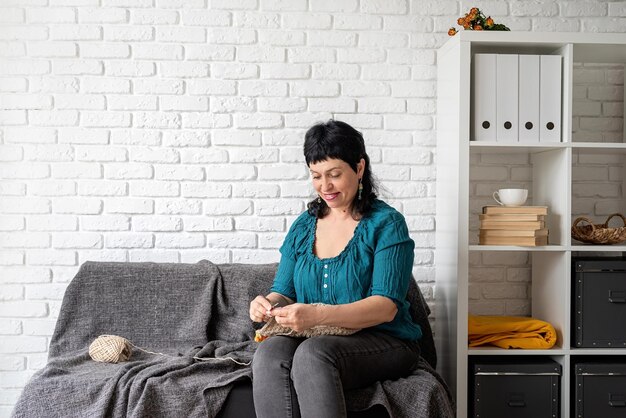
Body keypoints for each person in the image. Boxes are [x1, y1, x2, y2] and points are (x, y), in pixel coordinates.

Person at [249, 120, 422, 418]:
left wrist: (316, 316)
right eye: (316, 176)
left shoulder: (387, 224)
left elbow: (385, 308)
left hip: (385, 339)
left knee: (312, 354)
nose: (324, 186)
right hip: (317, 337)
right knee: (269, 353)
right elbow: (285, 291)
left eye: (334, 174)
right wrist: (267, 304)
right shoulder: (304, 226)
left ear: (359, 168)